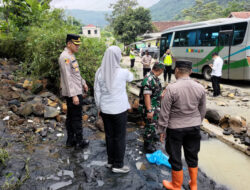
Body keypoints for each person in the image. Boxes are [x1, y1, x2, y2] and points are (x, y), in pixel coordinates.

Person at [158, 60, 206, 190]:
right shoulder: (200, 88)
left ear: (176, 70)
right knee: (192, 155)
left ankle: (176, 185)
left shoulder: (171, 89)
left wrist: (161, 130)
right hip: (194, 127)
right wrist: (197, 122)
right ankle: (194, 184)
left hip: (175, 129)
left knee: (175, 156)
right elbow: (202, 110)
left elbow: (164, 112)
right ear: (190, 72)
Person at [94, 46, 133, 174]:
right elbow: (131, 78)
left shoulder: (99, 72)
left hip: (105, 109)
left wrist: (99, 107)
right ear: (117, 57)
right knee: (120, 137)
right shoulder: (123, 72)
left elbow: (97, 92)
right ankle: (118, 165)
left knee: (109, 136)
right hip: (119, 110)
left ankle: (110, 161)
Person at [59, 34, 89, 149]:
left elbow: (75, 74)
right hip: (73, 93)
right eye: (75, 44)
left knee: (71, 117)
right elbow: (67, 77)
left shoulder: (70, 55)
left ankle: (70, 140)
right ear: (69, 44)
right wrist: (74, 95)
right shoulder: (65, 57)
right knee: (76, 117)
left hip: (76, 89)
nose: (78, 47)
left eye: (78, 44)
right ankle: (79, 141)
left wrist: (83, 82)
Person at [139, 62, 164, 153]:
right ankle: (147, 145)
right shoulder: (149, 79)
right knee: (150, 125)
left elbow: (155, 92)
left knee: (152, 125)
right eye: (162, 71)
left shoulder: (154, 78)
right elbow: (146, 95)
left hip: (154, 106)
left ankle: (151, 139)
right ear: (160, 70)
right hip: (149, 108)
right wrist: (149, 110)